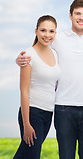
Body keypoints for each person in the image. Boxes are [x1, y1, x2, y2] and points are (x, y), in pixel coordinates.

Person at [16, 0, 83, 159]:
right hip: (63, 108)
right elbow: (38, 49)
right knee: (65, 155)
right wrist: (19, 60)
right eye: (77, 13)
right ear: (70, 15)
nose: (81, 17)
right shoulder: (57, 38)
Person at [13, 15, 60, 159]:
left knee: (24, 154)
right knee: (32, 155)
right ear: (36, 31)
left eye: (51, 31)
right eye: (43, 30)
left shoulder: (55, 54)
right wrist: (26, 124)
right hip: (33, 113)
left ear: (55, 33)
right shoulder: (28, 55)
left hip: (48, 113)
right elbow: (24, 91)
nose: (47, 35)